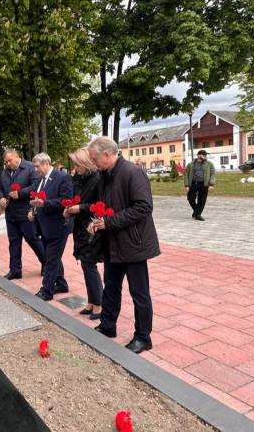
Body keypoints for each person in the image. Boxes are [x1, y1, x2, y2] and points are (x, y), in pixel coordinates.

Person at [87, 136, 160, 354]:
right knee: (111, 286)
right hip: (113, 242)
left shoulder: (132, 172)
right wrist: (96, 221)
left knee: (139, 292)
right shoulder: (104, 175)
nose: (93, 163)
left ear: (106, 154)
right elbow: (104, 205)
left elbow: (144, 206)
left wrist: (109, 222)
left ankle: (143, 337)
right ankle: (108, 326)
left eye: (94, 158)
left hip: (133, 243)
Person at [63, 148, 103, 320]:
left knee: (89, 265)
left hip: (91, 227)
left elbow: (99, 203)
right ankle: (91, 302)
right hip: (79, 227)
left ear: (85, 164)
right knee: (85, 265)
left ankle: (99, 304)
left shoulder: (97, 179)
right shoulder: (78, 179)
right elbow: (75, 198)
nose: (74, 167)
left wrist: (80, 208)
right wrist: (68, 209)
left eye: (77, 164)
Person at [29, 152, 73, 301]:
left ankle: (46, 291)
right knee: (51, 256)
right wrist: (32, 210)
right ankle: (61, 284)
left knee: (51, 260)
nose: (36, 170)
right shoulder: (40, 180)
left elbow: (66, 200)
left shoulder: (62, 177)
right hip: (44, 226)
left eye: (37, 166)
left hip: (58, 226)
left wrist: (45, 204)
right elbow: (35, 198)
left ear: (46, 163)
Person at [0, 149, 46, 279]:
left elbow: (36, 186)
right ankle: (15, 270)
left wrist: (20, 194)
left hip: (25, 212)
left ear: (17, 157)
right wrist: (1, 198)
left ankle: (47, 264)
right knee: (13, 242)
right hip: (10, 213)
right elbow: (0, 188)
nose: (7, 164)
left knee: (33, 239)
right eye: (6, 162)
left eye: (9, 161)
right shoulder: (5, 172)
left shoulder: (30, 168)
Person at [184, 150, 215, 221]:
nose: (205, 156)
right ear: (199, 155)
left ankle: (197, 215)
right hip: (193, 183)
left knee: (202, 200)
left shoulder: (209, 164)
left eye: (205, 155)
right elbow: (186, 175)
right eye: (204, 155)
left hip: (204, 184)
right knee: (190, 198)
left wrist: (211, 184)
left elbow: (212, 174)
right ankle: (196, 211)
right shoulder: (191, 164)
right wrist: (186, 185)